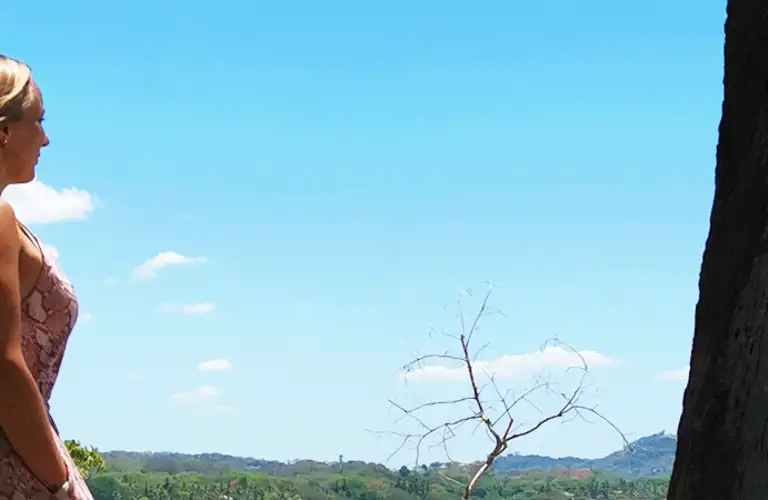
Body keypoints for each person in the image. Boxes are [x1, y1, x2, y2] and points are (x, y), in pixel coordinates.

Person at [0, 55, 92, 499]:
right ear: (3, 131)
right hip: (19, 466)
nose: (46, 138)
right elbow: (4, 367)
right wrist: (57, 483)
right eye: (37, 121)